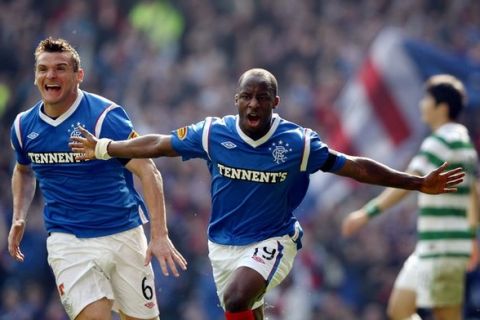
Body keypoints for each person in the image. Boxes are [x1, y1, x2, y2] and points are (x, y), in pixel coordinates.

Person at [70, 68, 465, 320]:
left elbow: (355, 166)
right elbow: (159, 144)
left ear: (275, 102)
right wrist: (107, 147)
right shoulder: (214, 133)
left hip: (275, 239)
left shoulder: (296, 143)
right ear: (237, 100)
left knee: (237, 297)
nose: (254, 103)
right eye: (247, 96)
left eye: (262, 97)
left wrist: (416, 183)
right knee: (243, 308)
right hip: (222, 244)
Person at [8, 37, 187, 320]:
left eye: (60, 68)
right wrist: (19, 215)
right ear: (35, 76)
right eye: (43, 69)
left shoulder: (105, 117)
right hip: (68, 241)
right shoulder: (22, 127)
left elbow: (147, 170)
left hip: (123, 233)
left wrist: (160, 234)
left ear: (79, 76)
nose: (50, 75)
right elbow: (23, 170)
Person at [342, 74, 479, 320]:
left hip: (444, 246)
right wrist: (471, 237)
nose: (421, 104)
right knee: (400, 310)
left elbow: (409, 181)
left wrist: (367, 213)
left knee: (425, 313)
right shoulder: (463, 143)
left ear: (442, 107)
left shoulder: (440, 142)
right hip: (438, 245)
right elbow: (474, 192)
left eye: (427, 99)